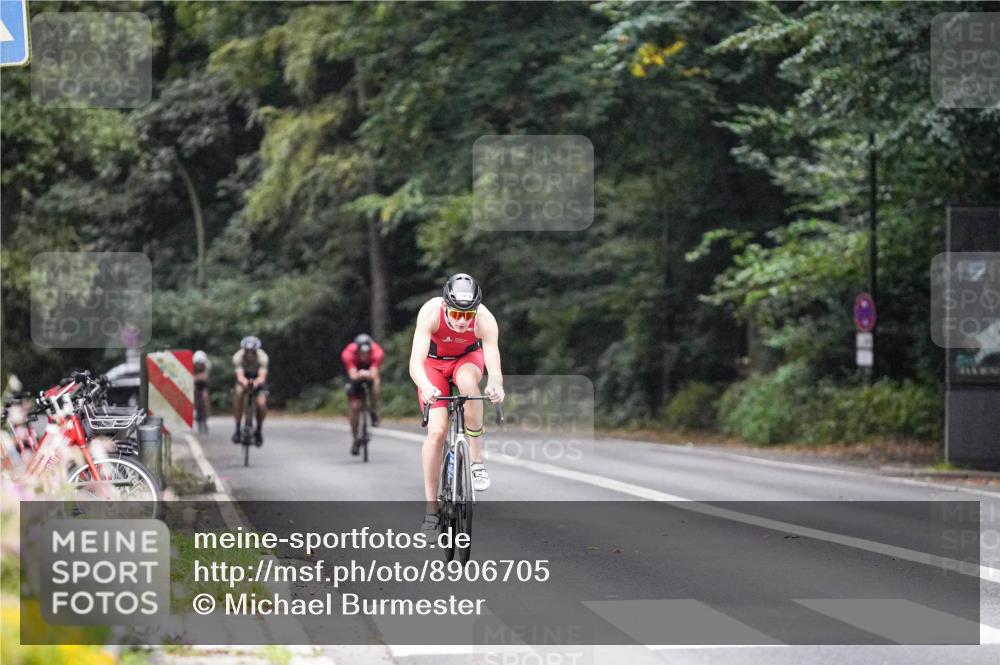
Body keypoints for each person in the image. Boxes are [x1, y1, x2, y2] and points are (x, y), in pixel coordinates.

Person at [409, 273, 504, 534]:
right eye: (456, 314)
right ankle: (431, 510)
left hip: (466, 361)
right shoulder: (431, 312)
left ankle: (476, 462)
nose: (462, 321)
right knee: (437, 432)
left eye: (468, 315)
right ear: (445, 307)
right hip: (433, 366)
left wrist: (496, 385)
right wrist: (426, 386)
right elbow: (415, 362)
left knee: (467, 383)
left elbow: (494, 364)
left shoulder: (485, 319)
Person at [341, 333, 385, 455]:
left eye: (367, 353)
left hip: (370, 373)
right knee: (355, 407)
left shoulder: (377, 352)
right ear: (357, 350)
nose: (364, 355)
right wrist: (359, 374)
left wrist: (368, 374)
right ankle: (356, 437)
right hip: (355, 376)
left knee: (376, 383)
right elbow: (353, 374)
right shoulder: (348, 353)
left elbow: (374, 373)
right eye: (361, 353)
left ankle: (373, 408)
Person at [231, 336, 269, 446]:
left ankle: (259, 430)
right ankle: (237, 429)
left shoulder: (263, 357)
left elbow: (262, 376)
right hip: (244, 379)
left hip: (258, 379)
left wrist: (256, 383)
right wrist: (245, 383)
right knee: (238, 394)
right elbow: (239, 375)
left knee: (261, 404)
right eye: (247, 352)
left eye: (252, 352)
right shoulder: (238, 357)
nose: (249, 355)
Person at [193, 350, 211, 433]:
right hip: (194, 384)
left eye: (201, 364)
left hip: (203, 384)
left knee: (205, 397)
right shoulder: (191, 366)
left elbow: (205, 377)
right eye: (198, 364)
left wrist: (195, 377)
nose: (199, 366)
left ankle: (205, 418)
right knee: (194, 397)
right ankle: (196, 413)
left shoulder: (207, 365)